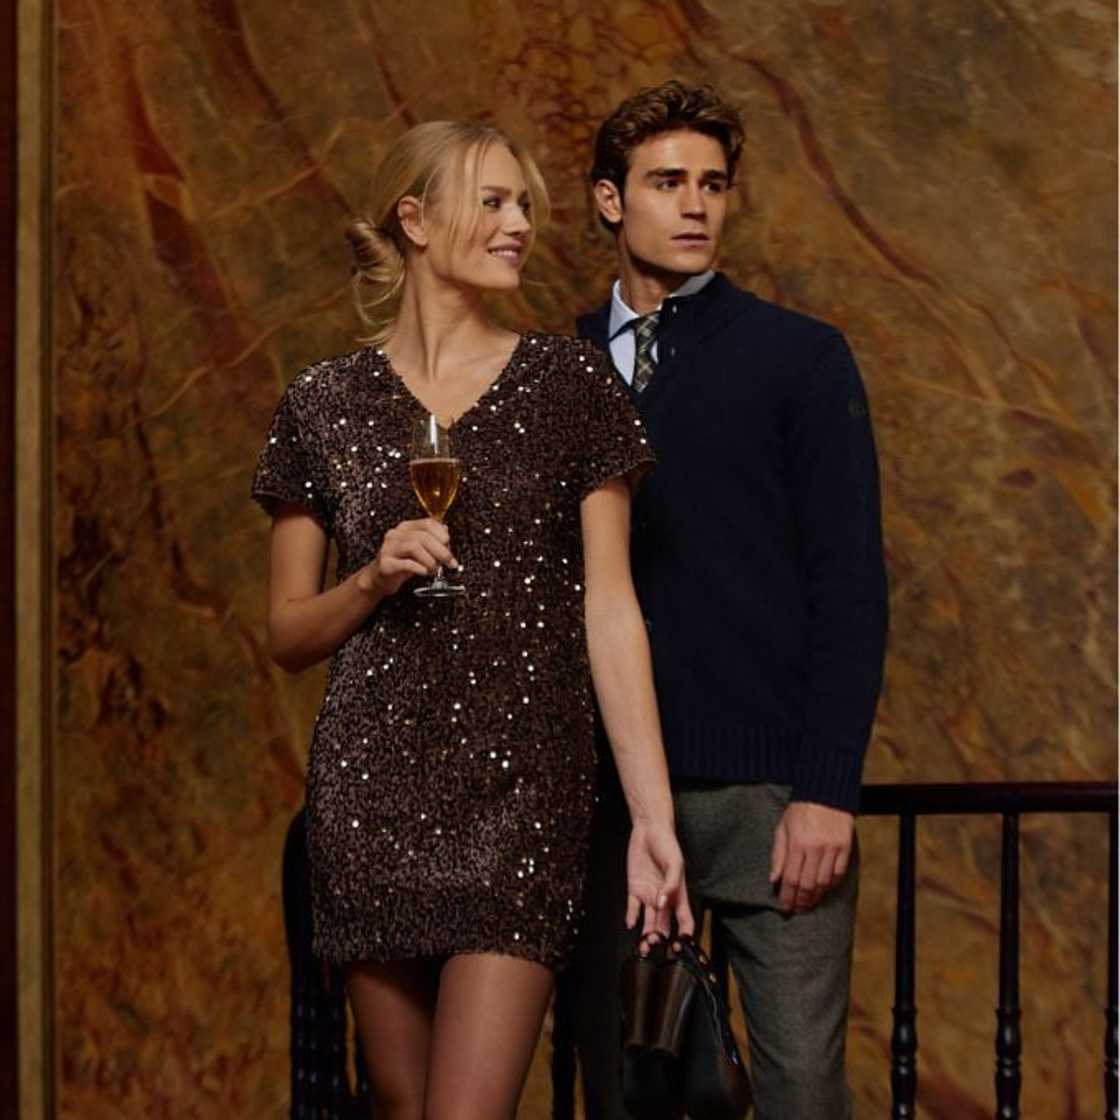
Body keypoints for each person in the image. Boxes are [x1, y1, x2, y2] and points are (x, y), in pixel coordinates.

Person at [251, 120, 693, 1120]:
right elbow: (287, 636)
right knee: (404, 1106)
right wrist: (372, 578)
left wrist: (652, 817)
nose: (519, 224)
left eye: (524, 204)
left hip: (522, 799)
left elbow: (611, 609)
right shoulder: (323, 402)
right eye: (492, 201)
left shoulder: (573, 385)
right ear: (414, 220)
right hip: (369, 797)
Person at [565, 82, 889, 1120]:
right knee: (627, 1092)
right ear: (609, 200)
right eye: (667, 182)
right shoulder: (554, 369)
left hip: (767, 795)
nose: (696, 204)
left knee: (800, 1089)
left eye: (713, 184)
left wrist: (825, 789)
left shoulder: (800, 357)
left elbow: (850, 583)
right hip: (605, 796)